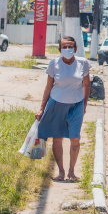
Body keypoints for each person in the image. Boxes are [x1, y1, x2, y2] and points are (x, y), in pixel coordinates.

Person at [36, 36, 91, 181]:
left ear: (76, 49)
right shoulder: (54, 64)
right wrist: (42, 108)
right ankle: (61, 172)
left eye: (70, 46)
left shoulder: (83, 63)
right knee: (57, 138)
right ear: (60, 49)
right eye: (65, 47)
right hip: (57, 103)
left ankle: (72, 171)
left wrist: (84, 104)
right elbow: (48, 87)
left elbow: (86, 85)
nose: (68, 49)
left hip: (76, 105)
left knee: (75, 138)